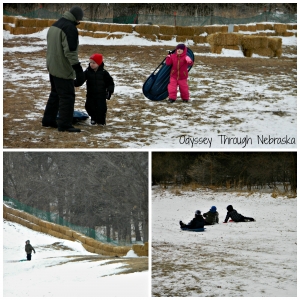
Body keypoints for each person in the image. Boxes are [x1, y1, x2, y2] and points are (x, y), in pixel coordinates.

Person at [42, 6, 84, 132]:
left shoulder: (56, 24)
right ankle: (65, 125)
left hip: (52, 66)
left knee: (55, 94)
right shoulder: (70, 28)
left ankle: (48, 120)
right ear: (77, 18)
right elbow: (70, 52)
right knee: (67, 96)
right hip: (62, 69)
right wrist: (78, 70)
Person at [74, 53, 115, 126]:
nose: (91, 64)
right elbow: (81, 80)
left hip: (101, 95)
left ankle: (101, 122)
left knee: (101, 109)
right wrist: (73, 83)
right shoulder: (87, 72)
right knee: (89, 107)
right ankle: (93, 118)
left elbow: (110, 83)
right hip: (90, 94)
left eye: (94, 63)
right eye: (90, 62)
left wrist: (109, 91)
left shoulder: (104, 73)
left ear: (99, 63)